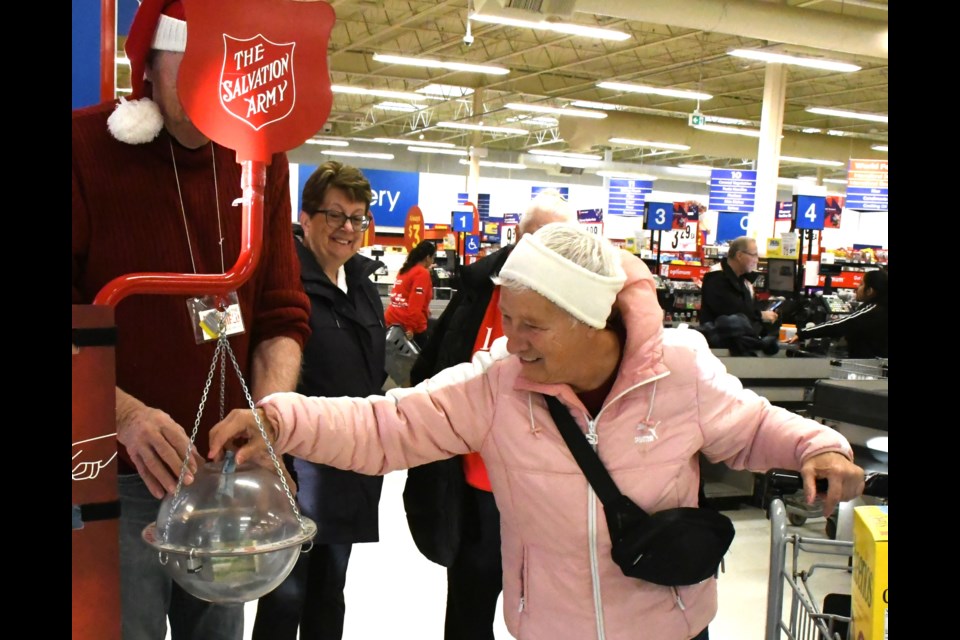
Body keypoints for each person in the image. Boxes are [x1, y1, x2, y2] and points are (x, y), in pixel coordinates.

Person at [210, 223, 865, 640]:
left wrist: (821, 446)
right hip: (550, 628)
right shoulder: (498, 385)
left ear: (593, 321)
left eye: (532, 325)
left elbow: (753, 427)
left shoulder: (679, 368)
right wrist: (279, 419)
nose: (510, 340)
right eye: (509, 318)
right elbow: (390, 424)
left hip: (672, 626)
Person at [71, 0, 311, 637]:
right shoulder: (82, 150)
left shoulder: (262, 159)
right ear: (150, 65)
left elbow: (282, 314)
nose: (215, 104)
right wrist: (123, 415)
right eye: (194, 76)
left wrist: (270, 414)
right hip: (117, 476)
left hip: (227, 475)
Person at [407, 188, 576, 640]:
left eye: (559, 241)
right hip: (476, 488)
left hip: (551, 494)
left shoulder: (584, 308)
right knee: (469, 605)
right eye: (537, 238)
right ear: (516, 237)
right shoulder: (478, 290)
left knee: (549, 613)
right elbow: (434, 369)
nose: (545, 252)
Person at [251, 161, 386, 640]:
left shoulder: (364, 287)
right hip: (297, 472)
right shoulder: (288, 287)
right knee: (285, 596)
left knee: (331, 591)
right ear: (305, 218)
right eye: (334, 215)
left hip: (349, 469)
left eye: (356, 218)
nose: (347, 229)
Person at [790, 267, 888, 358]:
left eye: (861, 284)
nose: (857, 288)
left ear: (870, 291)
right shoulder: (880, 308)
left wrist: (803, 334)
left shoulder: (873, 310)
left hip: (870, 367)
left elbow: (842, 325)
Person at [700, 236, 779, 336]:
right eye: (753, 255)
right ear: (739, 255)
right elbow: (731, 311)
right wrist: (760, 315)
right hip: (718, 346)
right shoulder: (716, 277)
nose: (757, 260)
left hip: (740, 342)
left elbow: (750, 307)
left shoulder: (744, 280)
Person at [384, 240, 437, 346]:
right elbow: (415, 304)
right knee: (422, 361)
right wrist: (410, 328)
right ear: (427, 257)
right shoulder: (422, 273)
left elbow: (401, 296)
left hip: (391, 321)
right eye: (433, 257)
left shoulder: (404, 270)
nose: (433, 261)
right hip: (409, 327)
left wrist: (426, 310)